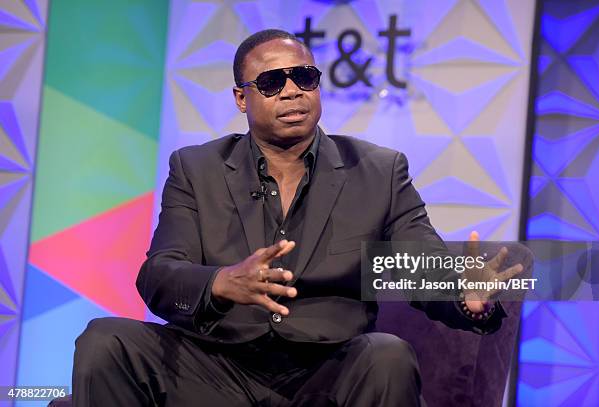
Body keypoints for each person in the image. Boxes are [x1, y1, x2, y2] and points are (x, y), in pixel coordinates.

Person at [72, 29, 522, 407]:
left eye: (304, 77)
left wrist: (462, 293)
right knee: (105, 340)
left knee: (387, 355)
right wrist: (220, 284)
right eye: (270, 82)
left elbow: (417, 264)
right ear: (241, 99)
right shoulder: (196, 168)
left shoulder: (379, 171)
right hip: (213, 369)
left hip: (327, 373)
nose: (291, 91)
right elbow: (161, 275)